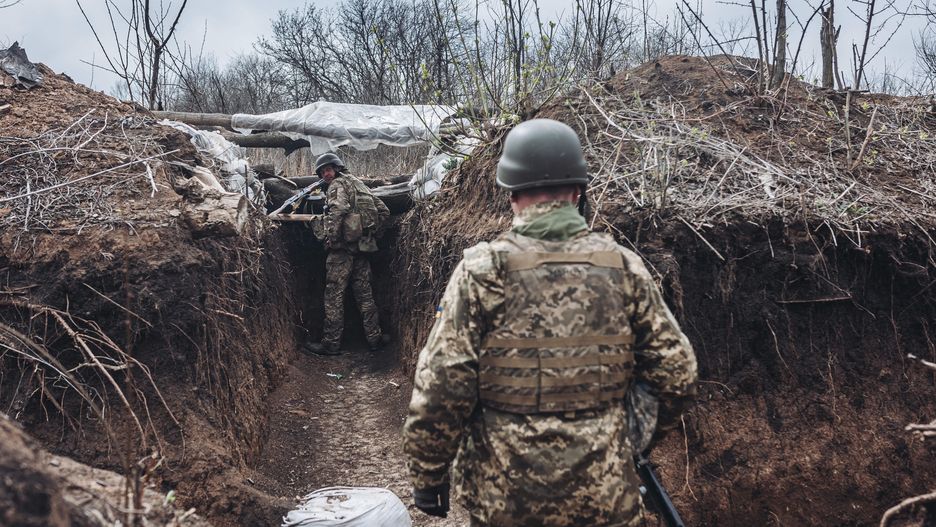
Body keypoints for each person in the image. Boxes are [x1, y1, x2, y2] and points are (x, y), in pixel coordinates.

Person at [401, 119, 698, 526]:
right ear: (578, 191)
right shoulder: (624, 267)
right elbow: (677, 374)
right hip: (604, 496)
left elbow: (441, 385)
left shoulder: (483, 270)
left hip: (507, 498)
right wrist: (627, 439)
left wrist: (429, 475)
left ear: (512, 194)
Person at [305, 152, 390, 355]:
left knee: (334, 295)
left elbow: (337, 211)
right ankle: (375, 338)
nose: (326, 174)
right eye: (322, 172)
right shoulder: (358, 184)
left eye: (328, 169)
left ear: (336, 168)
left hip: (342, 252)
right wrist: (372, 235)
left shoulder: (336, 186)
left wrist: (331, 239)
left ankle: (331, 344)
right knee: (364, 294)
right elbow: (383, 210)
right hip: (361, 249)